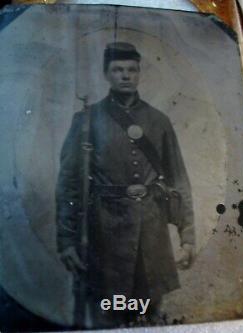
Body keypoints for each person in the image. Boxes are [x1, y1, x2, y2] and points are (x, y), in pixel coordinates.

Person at [55, 42, 195, 329]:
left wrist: (188, 236)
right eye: (117, 69)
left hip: (152, 233)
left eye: (131, 69)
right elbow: (69, 184)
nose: (125, 75)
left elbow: (178, 180)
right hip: (104, 234)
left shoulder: (159, 121)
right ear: (106, 74)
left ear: (139, 73)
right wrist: (67, 240)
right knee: (107, 316)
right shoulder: (86, 120)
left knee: (152, 313)